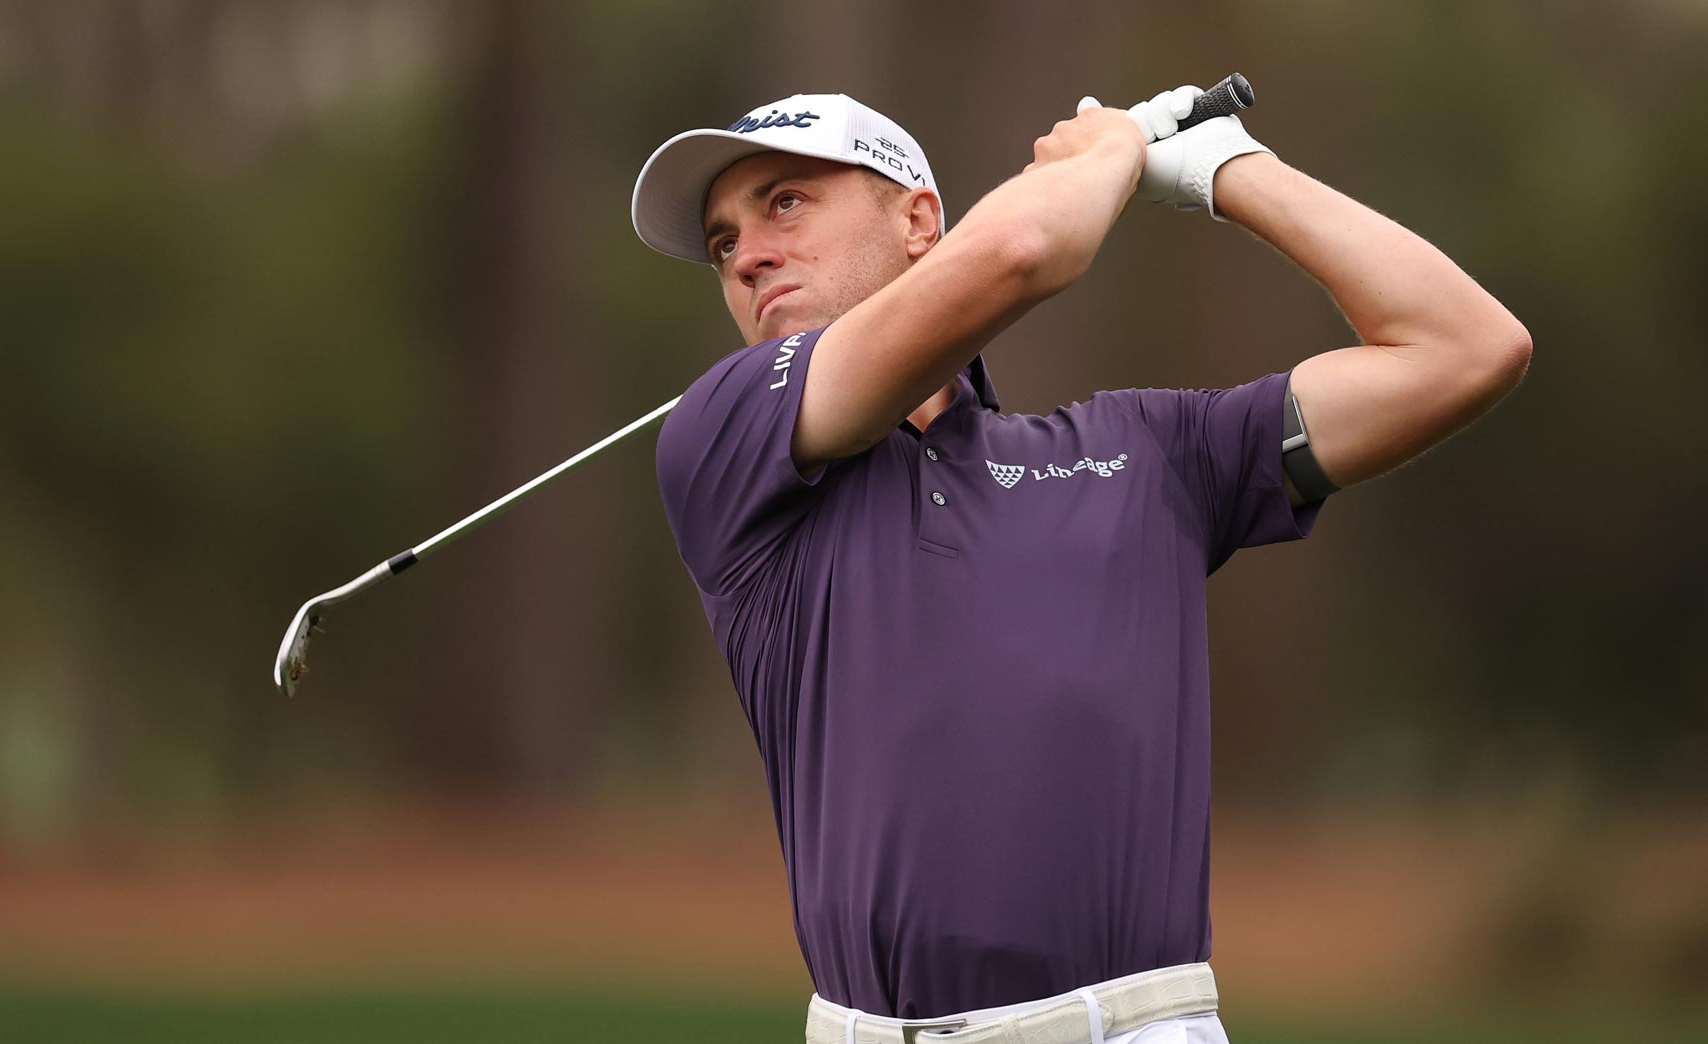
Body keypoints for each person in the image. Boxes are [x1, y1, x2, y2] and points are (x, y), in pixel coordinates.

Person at [631, 85, 1530, 1044]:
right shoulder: (723, 442)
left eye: (785, 202)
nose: (749, 255)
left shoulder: (1149, 450)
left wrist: (1228, 169)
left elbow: (1467, 348)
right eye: (725, 242)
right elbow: (1023, 250)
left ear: (919, 222)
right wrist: (1111, 150)